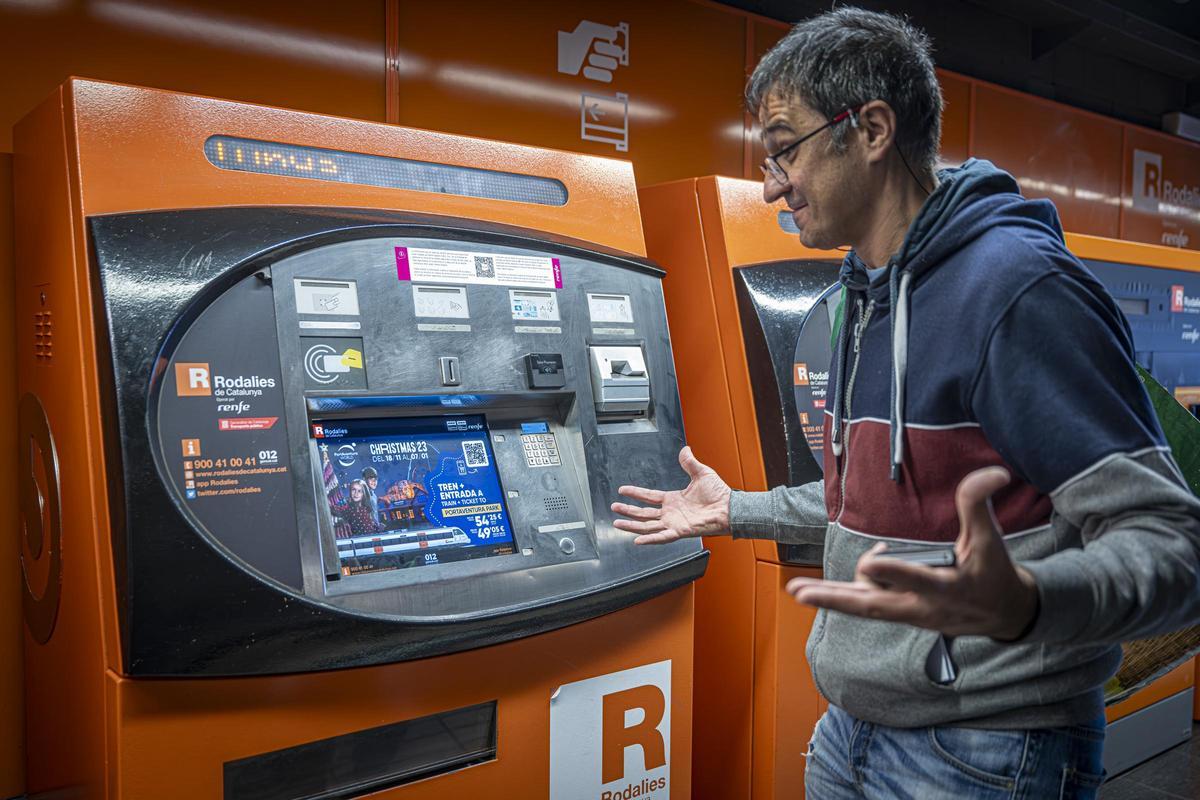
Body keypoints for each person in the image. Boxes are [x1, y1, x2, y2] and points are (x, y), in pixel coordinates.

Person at [612, 7, 1200, 799]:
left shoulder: (1018, 294)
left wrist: (1028, 603)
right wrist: (734, 510)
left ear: (873, 130)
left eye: (785, 147)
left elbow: (1172, 543)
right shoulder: (864, 295)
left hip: (987, 751)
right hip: (851, 731)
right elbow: (876, 508)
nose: (770, 182)